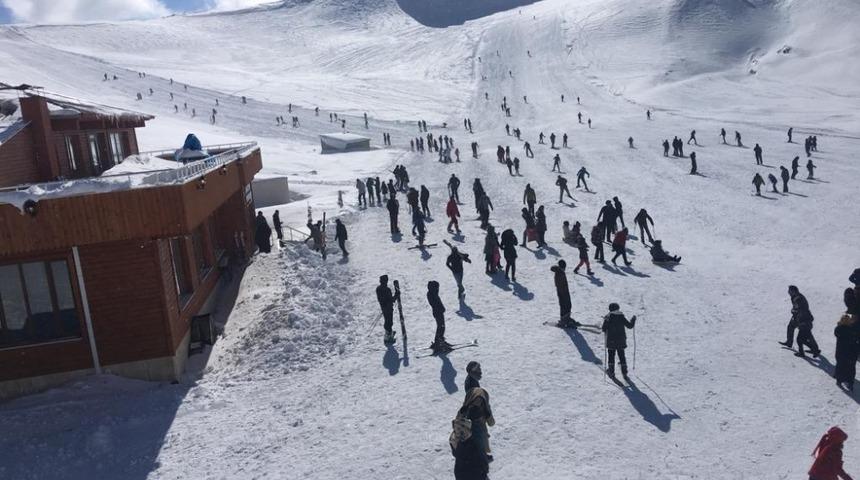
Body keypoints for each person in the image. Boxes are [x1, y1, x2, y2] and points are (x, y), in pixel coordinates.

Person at [453, 374, 495, 478]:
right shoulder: (478, 403)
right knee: (478, 449)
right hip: (475, 436)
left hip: (473, 436)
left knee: (478, 448)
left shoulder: (466, 408)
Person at [781, 285, 821, 357]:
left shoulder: (798, 298)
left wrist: (794, 312)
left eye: (789, 291)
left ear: (793, 291)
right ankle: (814, 348)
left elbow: (800, 309)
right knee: (796, 329)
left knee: (804, 335)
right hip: (801, 317)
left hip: (802, 318)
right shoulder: (795, 297)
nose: (788, 292)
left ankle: (813, 349)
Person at [601, 303, 637, 378]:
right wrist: (633, 320)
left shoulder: (608, 317)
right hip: (621, 340)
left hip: (611, 341)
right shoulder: (621, 316)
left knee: (611, 355)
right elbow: (630, 326)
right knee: (622, 355)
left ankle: (611, 371)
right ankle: (624, 372)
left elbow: (603, 329)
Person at [551, 260, 579, 328]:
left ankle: (567, 318)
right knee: (565, 305)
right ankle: (564, 320)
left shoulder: (560, 272)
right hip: (563, 292)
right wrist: (564, 293)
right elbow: (560, 285)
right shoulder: (560, 273)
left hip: (563, 291)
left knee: (567, 305)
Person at [834, 314, 857, 391]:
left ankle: (839, 380)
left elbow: (836, 333)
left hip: (841, 351)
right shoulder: (853, 329)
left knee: (840, 366)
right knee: (851, 367)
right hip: (852, 352)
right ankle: (850, 382)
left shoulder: (839, 329)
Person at [427, 281, 451, 352]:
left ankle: (440, 340)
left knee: (441, 326)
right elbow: (436, 303)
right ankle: (439, 342)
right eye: (437, 287)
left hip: (438, 312)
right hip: (438, 312)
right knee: (441, 327)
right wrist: (442, 308)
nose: (438, 289)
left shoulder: (432, 293)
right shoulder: (433, 294)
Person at [376, 275, 399, 344]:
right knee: (389, 322)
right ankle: (388, 337)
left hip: (383, 307)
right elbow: (391, 300)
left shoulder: (378, 289)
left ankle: (389, 333)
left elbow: (381, 299)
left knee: (387, 320)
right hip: (388, 308)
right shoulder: (387, 289)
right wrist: (396, 295)